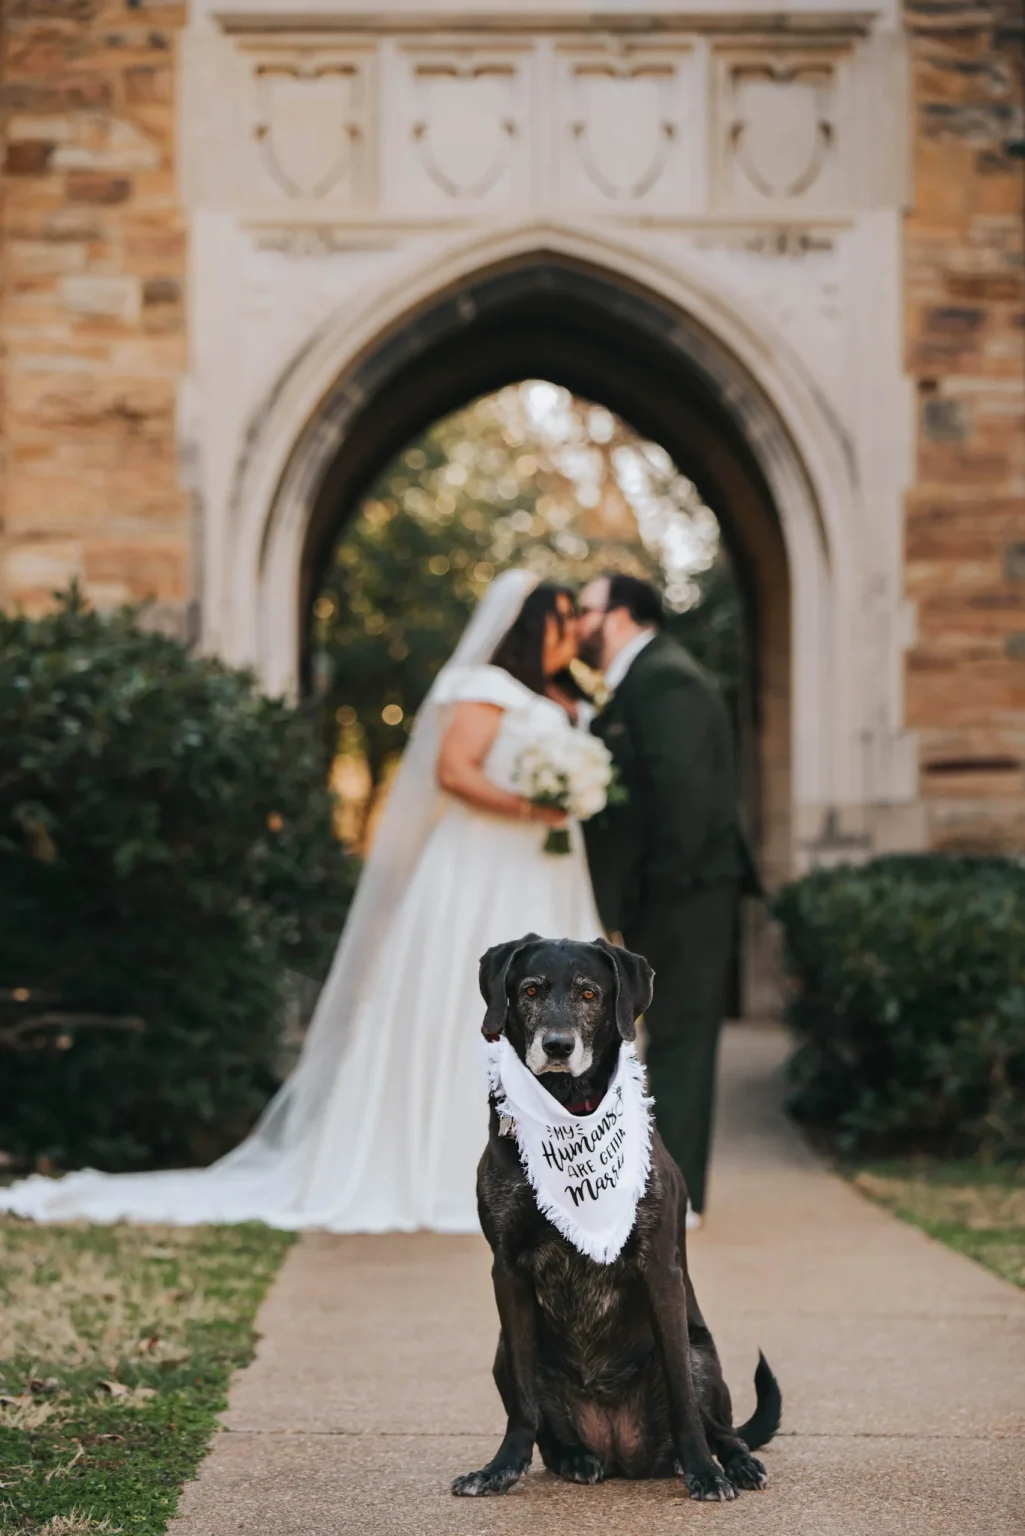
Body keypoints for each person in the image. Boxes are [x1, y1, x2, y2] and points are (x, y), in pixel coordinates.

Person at [0, 572, 605, 1232]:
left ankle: (568, 1164)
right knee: (473, 1003)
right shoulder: (485, 688)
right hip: (482, 864)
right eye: (562, 617)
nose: (573, 631)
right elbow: (453, 773)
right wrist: (531, 805)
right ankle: (452, 1161)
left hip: (540, 868)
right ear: (527, 624)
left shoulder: (557, 696)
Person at [577, 573, 760, 1227]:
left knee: (680, 1035)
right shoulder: (639, 678)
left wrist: (649, 899)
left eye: (586, 611)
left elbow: (685, 800)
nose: (577, 624)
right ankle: (655, 1186)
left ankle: (673, 1201)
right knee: (669, 1036)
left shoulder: (665, 677)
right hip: (667, 890)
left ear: (620, 616)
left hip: (685, 890)